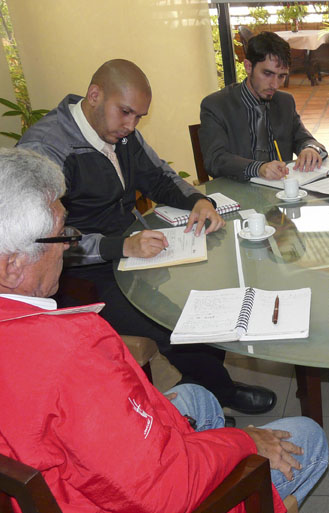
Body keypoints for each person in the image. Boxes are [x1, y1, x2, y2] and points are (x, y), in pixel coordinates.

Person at [0, 148, 329, 513]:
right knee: (309, 438)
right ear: (14, 266)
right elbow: (163, 492)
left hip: (72, 469)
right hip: (135, 493)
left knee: (197, 397)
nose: (69, 245)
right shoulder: (72, 353)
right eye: (62, 235)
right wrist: (241, 442)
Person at [17, 59, 276, 415]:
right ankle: (214, 394)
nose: (131, 126)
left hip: (133, 249)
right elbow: (40, 240)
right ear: (94, 95)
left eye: (138, 117)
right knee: (178, 322)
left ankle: (204, 392)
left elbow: (158, 176)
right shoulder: (46, 149)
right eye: (125, 113)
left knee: (206, 297)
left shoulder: (121, 133)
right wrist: (118, 246)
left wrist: (198, 200)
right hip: (82, 271)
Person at [200, 31, 327, 181]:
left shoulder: (284, 102)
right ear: (248, 66)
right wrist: (258, 168)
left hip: (281, 191)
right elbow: (215, 160)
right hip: (239, 192)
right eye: (267, 73)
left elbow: (305, 139)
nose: (274, 84)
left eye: (281, 76)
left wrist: (310, 149)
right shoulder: (217, 105)